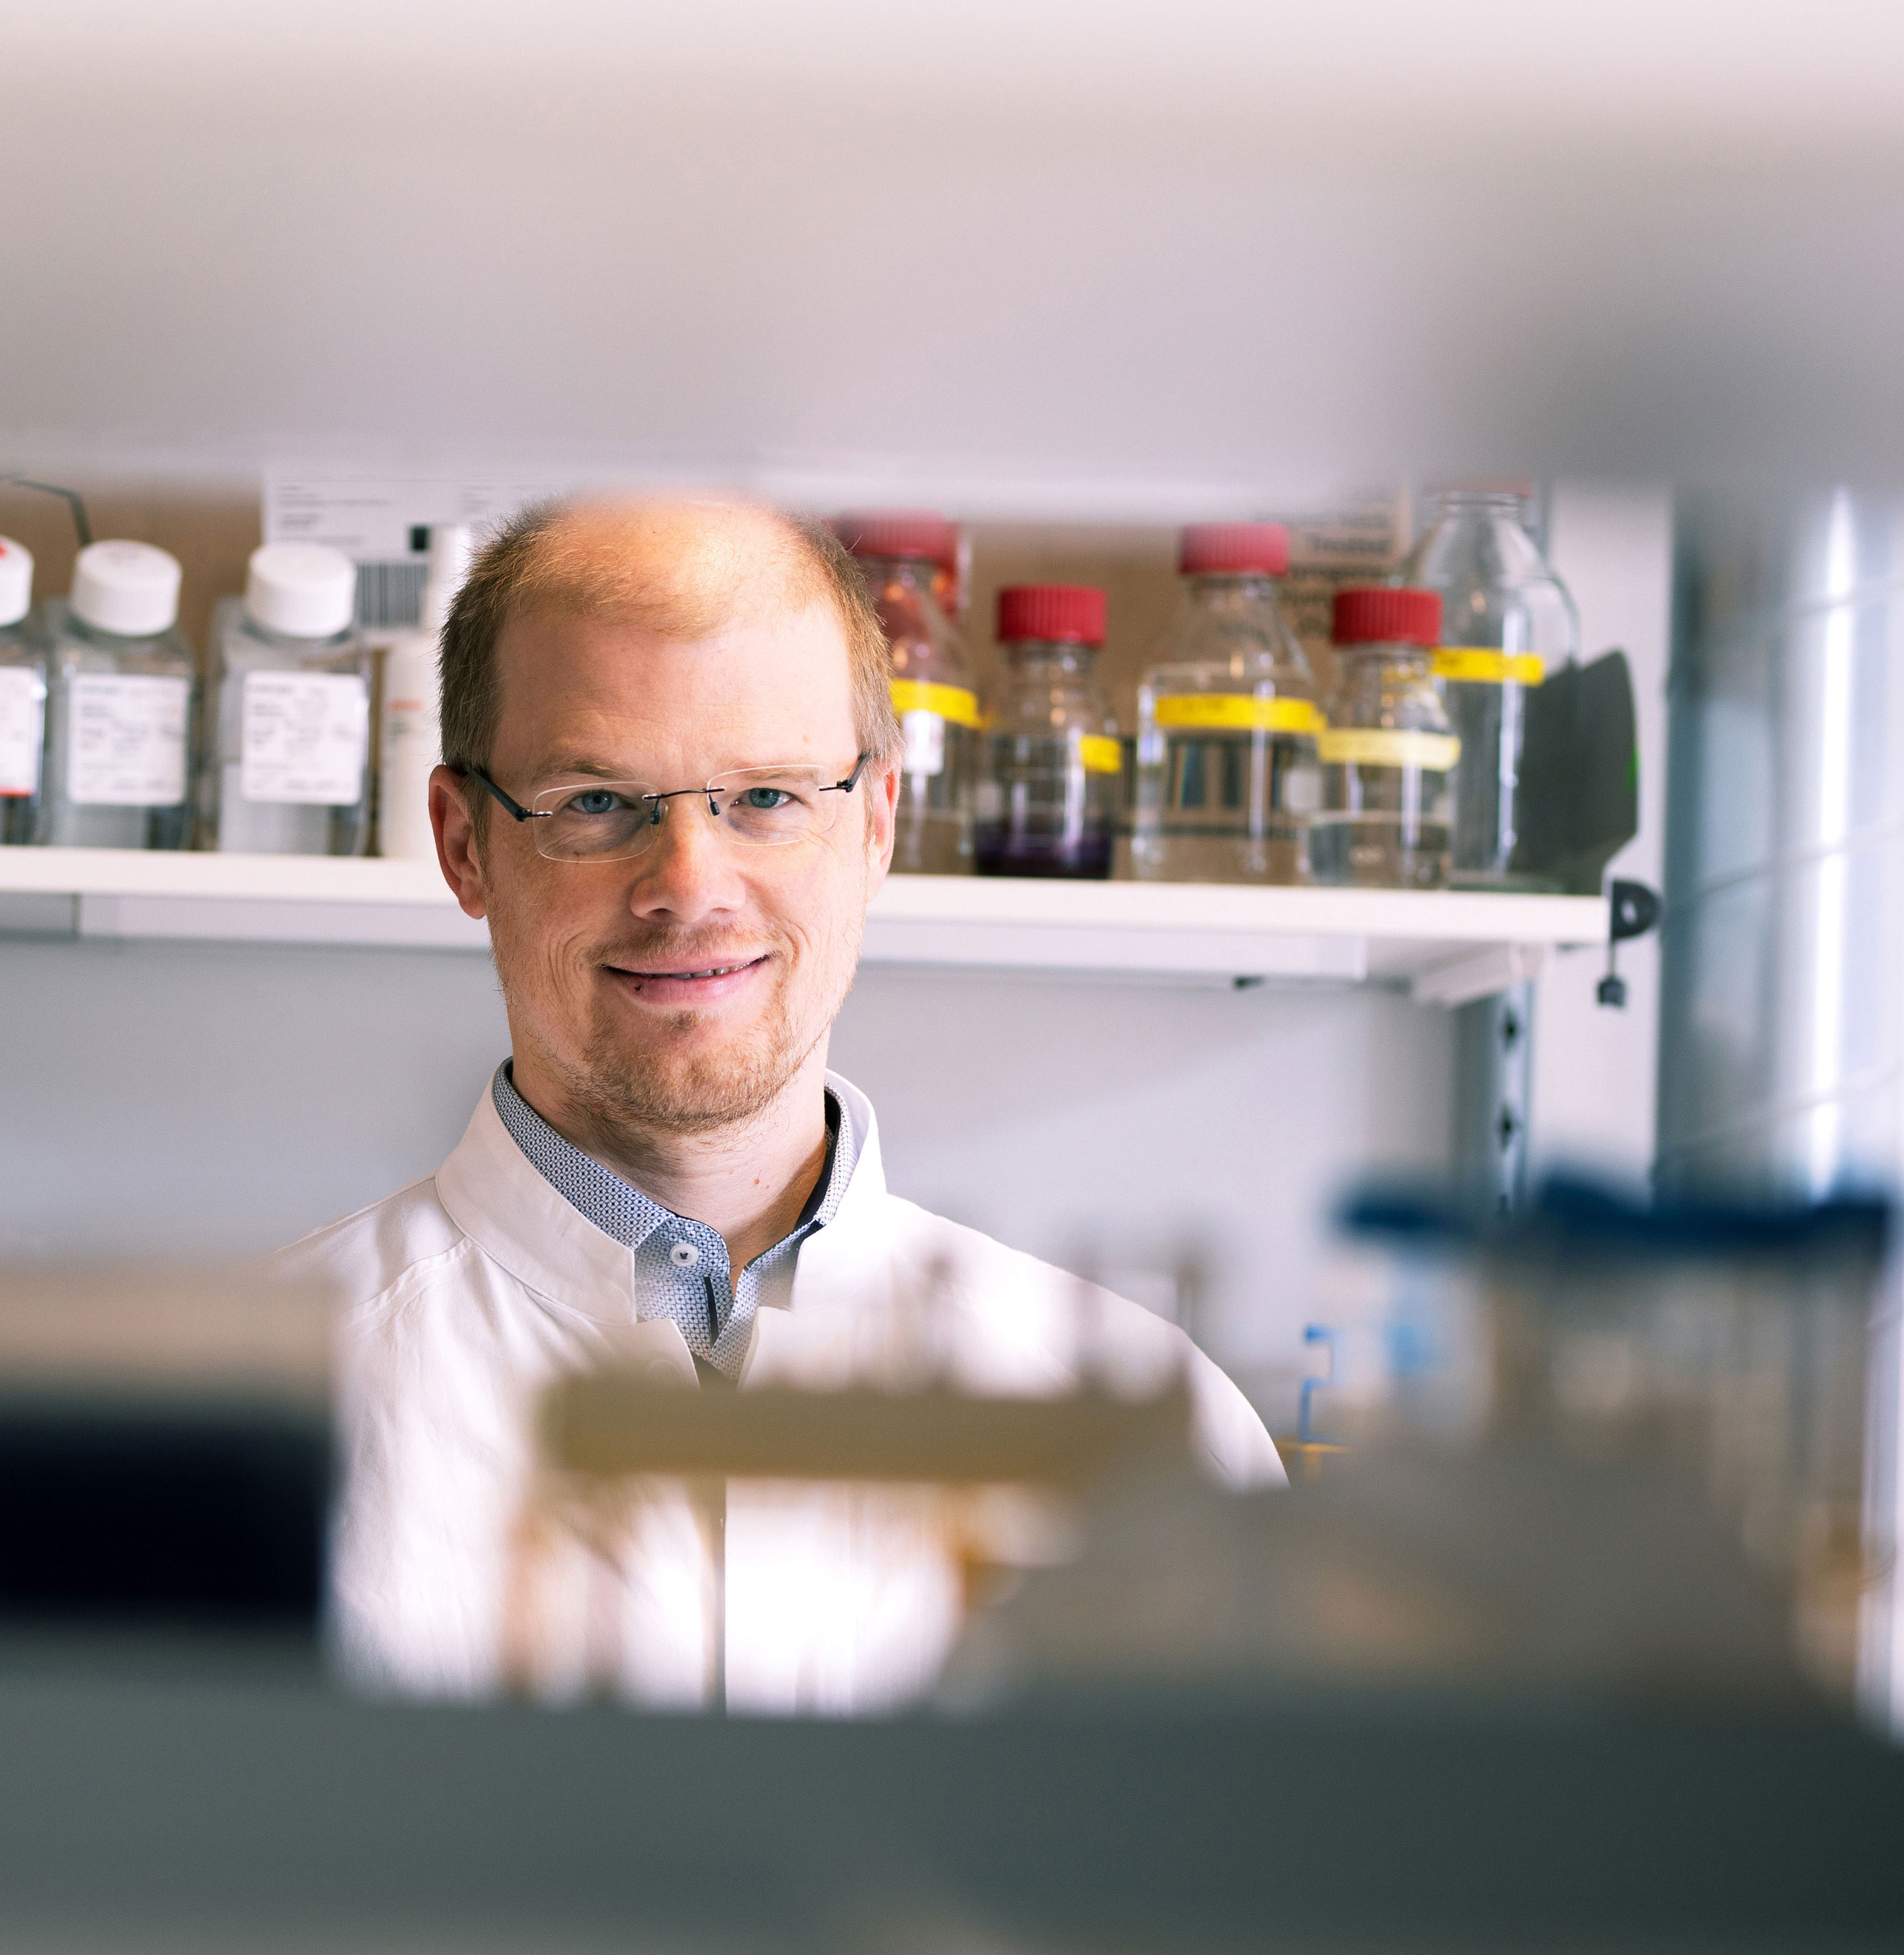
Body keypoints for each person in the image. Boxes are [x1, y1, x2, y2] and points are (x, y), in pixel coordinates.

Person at [285, 495, 1282, 1713]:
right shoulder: (251, 1414)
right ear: (463, 845)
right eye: (595, 800)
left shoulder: (1151, 1426)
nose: (689, 886)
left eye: (766, 798)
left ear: (876, 827)